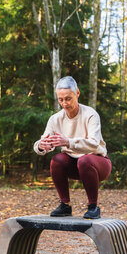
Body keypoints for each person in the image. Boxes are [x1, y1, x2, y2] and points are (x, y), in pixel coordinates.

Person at [33, 76, 112, 219]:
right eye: (60, 99)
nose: (64, 103)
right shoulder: (55, 119)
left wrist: (68, 142)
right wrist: (41, 146)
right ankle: (65, 205)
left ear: (77, 94)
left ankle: (93, 207)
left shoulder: (90, 114)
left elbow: (94, 144)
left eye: (68, 98)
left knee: (84, 160)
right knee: (57, 159)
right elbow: (42, 142)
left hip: (98, 164)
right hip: (74, 165)